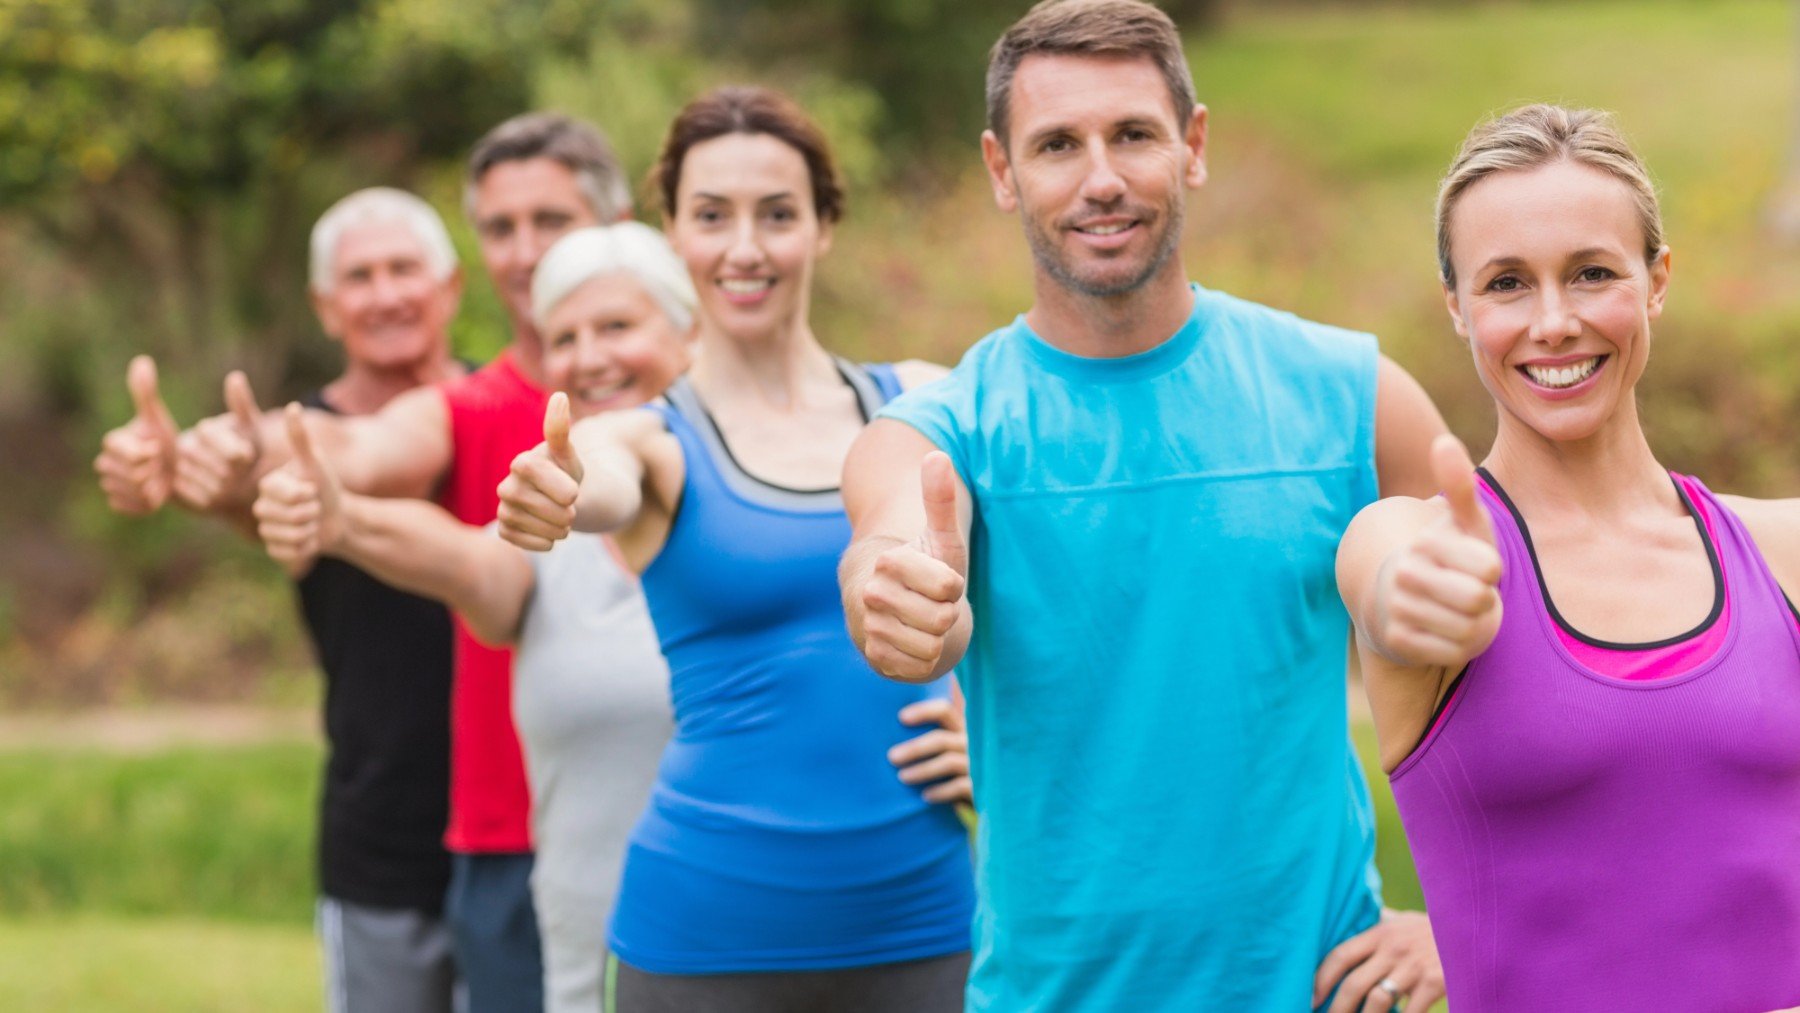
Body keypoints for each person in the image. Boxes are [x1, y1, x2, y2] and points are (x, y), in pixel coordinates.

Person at [836, 0, 1452, 1009]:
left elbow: (1517, 661)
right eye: (1057, 144)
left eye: (1131, 134)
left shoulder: (1351, 392)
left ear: (1193, 145)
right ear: (1002, 170)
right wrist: (901, 592)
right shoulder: (943, 428)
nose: (1102, 177)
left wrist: (1464, 914)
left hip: (1320, 989)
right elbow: (891, 535)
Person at [97, 112, 635, 1013]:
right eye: (502, 226)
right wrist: (212, 452)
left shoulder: (679, 409)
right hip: (440, 832)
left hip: (631, 828)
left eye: (551, 221)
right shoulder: (460, 410)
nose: (526, 251)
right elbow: (327, 459)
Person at [496, 86, 976, 1012]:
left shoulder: (924, 399)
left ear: (824, 226)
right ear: (672, 231)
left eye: (778, 214)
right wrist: (557, 488)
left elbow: (1052, 592)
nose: (745, 247)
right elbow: (600, 472)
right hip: (707, 936)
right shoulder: (651, 437)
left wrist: (999, 732)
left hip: (927, 923)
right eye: (713, 215)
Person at [1336, 104, 1800, 1011]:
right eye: (1507, 283)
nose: (1554, 321)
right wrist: (1415, 598)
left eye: (1592, 273)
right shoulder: (1419, 544)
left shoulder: (1783, 550)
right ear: (1458, 307)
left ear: (1657, 280)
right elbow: (1387, 579)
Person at [254, 222, 691, 1013]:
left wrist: (960, 718)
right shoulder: (541, 525)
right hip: (582, 947)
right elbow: (465, 560)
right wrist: (342, 517)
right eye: (565, 338)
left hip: (768, 920)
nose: (591, 356)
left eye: (618, 327)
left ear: (689, 329)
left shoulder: (771, 493)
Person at [93, 187, 467, 1013]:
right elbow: (256, 465)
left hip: (521, 828)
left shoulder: (508, 407)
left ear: (451, 288)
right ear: (325, 309)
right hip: (382, 837)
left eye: (404, 269)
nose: (385, 293)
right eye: (359, 277)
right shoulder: (303, 437)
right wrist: (195, 458)